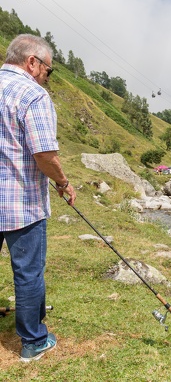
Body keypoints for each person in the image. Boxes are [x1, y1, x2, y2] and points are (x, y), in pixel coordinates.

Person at [0, 34, 76, 362]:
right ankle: (33, 341)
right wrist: (63, 183)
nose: (47, 75)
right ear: (32, 62)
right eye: (48, 69)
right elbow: (44, 154)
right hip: (21, 203)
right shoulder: (33, 94)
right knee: (28, 271)